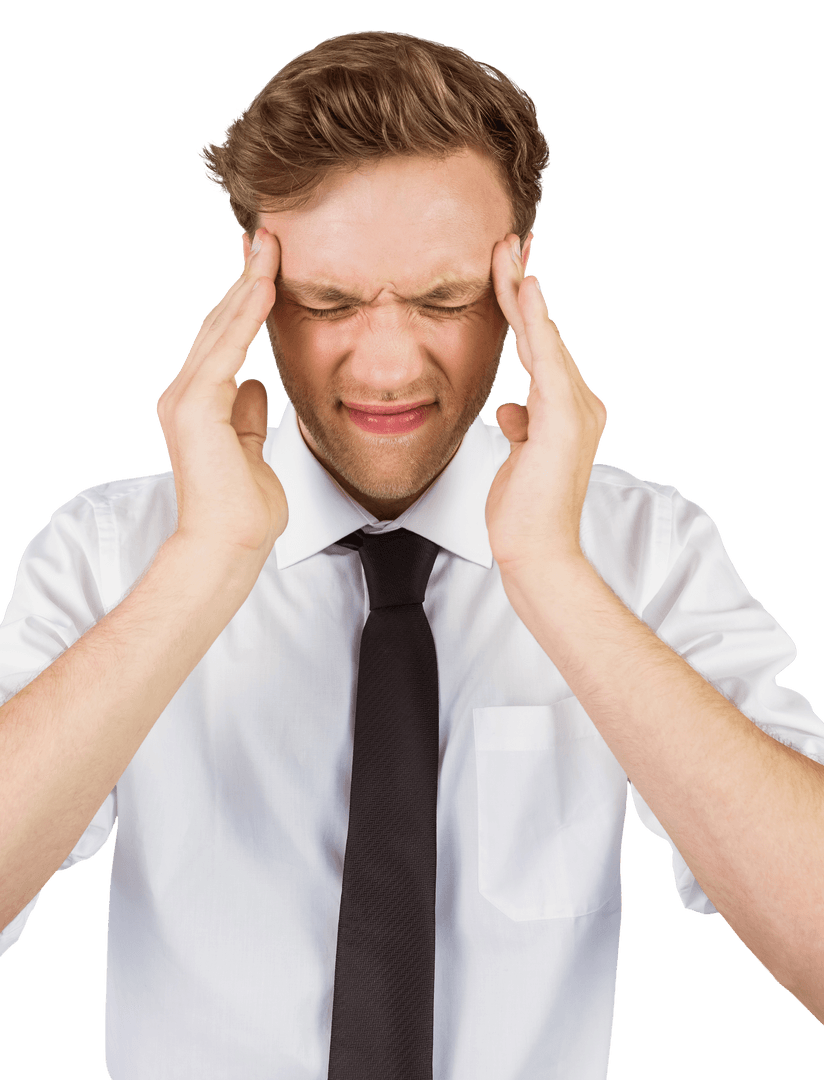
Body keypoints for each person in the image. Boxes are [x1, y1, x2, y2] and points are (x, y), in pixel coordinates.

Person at [1, 28, 822, 1079]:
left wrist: (550, 575)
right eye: (327, 304)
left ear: (519, 286)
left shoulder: (638, 546)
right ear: (251, 296)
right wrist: (205, 561)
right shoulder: (110, 549)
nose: (386, 366)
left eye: (443, 302)